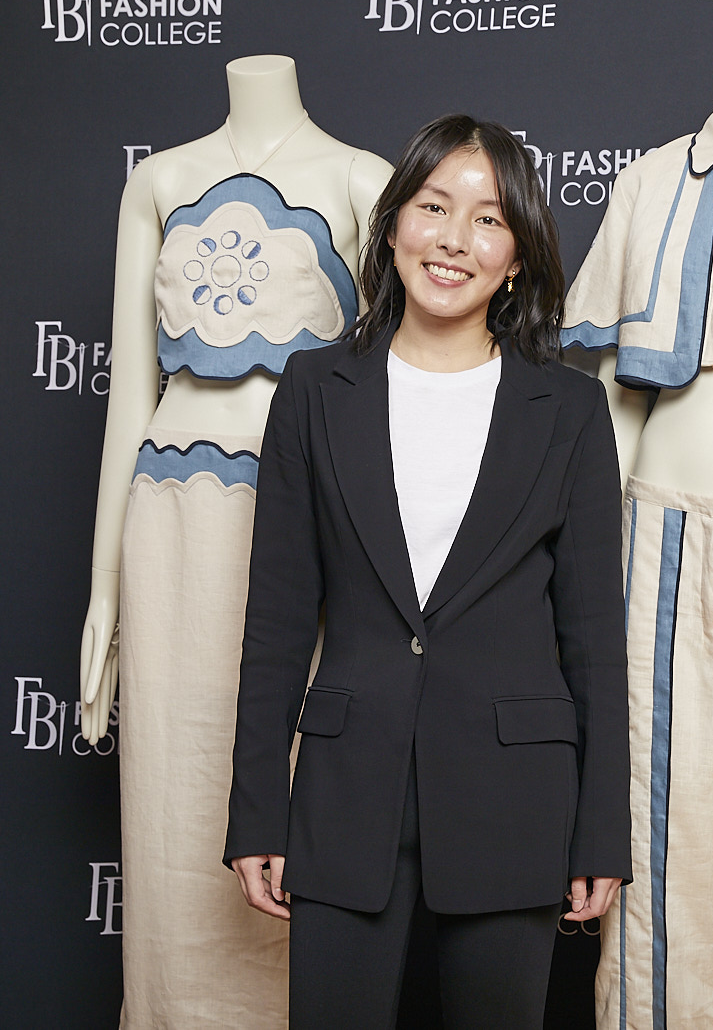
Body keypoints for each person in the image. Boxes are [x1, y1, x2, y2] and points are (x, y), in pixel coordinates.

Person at [223, 114, 630, 1029]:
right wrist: (257, 811)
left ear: (516, 257)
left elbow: (594, 639)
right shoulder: (312, 391)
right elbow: (275, 624)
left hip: (514, 803)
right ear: (395, 225)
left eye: (488, 219)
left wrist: (601, 830)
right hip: (344, 799)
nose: (453, 239)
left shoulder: (569, 409)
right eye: (433, 207)